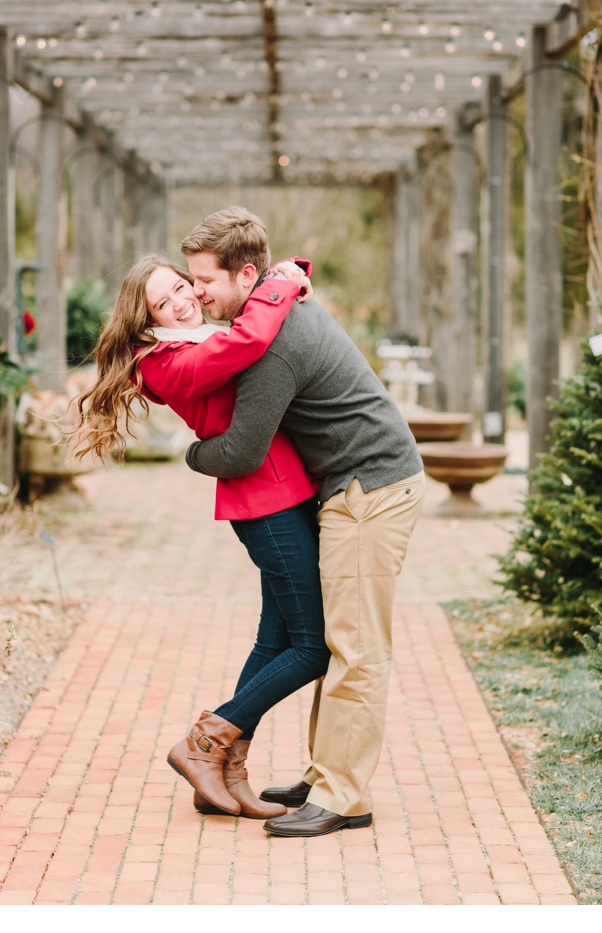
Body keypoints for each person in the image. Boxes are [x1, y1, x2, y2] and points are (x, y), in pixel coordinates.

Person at [178, 207, 425, 839]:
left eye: (205, 280)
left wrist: (191, 453)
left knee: (356, 648)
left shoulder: (271, 346)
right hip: (350, 486)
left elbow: (240, 452)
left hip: (370, 486)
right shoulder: (271, 310)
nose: (197, 292)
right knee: (341, 641)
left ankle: (344, 796)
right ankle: (326, 776)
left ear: (247, 275)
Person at [71, 251, 324, 820]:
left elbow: (246, 324)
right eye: (164, 301)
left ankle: (225, 771)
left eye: (183, 287)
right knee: (312, 647)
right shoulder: (165, 360)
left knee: (275, 641)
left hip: (283, 492)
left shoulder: (197, 335)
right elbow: (248, 343)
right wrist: (280, 281)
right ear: (144, 318)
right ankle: (202, 745)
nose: (183, 301)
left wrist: (281, 268)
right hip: (267, 502)